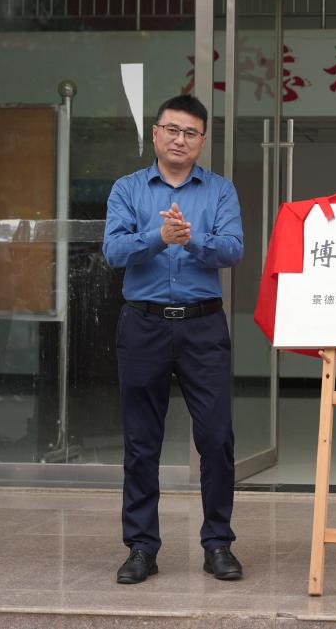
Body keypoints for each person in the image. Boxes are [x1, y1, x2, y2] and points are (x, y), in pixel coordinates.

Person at [103, 94, 245, 584]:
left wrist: (192, 240)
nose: (180, 140)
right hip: (142, 324)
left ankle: (218, 543)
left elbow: (233, 249)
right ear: (156, 133)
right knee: (142, 441)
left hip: (203, 326)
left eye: (190, 133)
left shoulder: (220, 190)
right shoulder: (128, 189)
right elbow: (114, 250)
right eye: (172, 130)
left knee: (217, 438)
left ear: (202, 141)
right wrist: (158, 237)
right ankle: (141, 547)